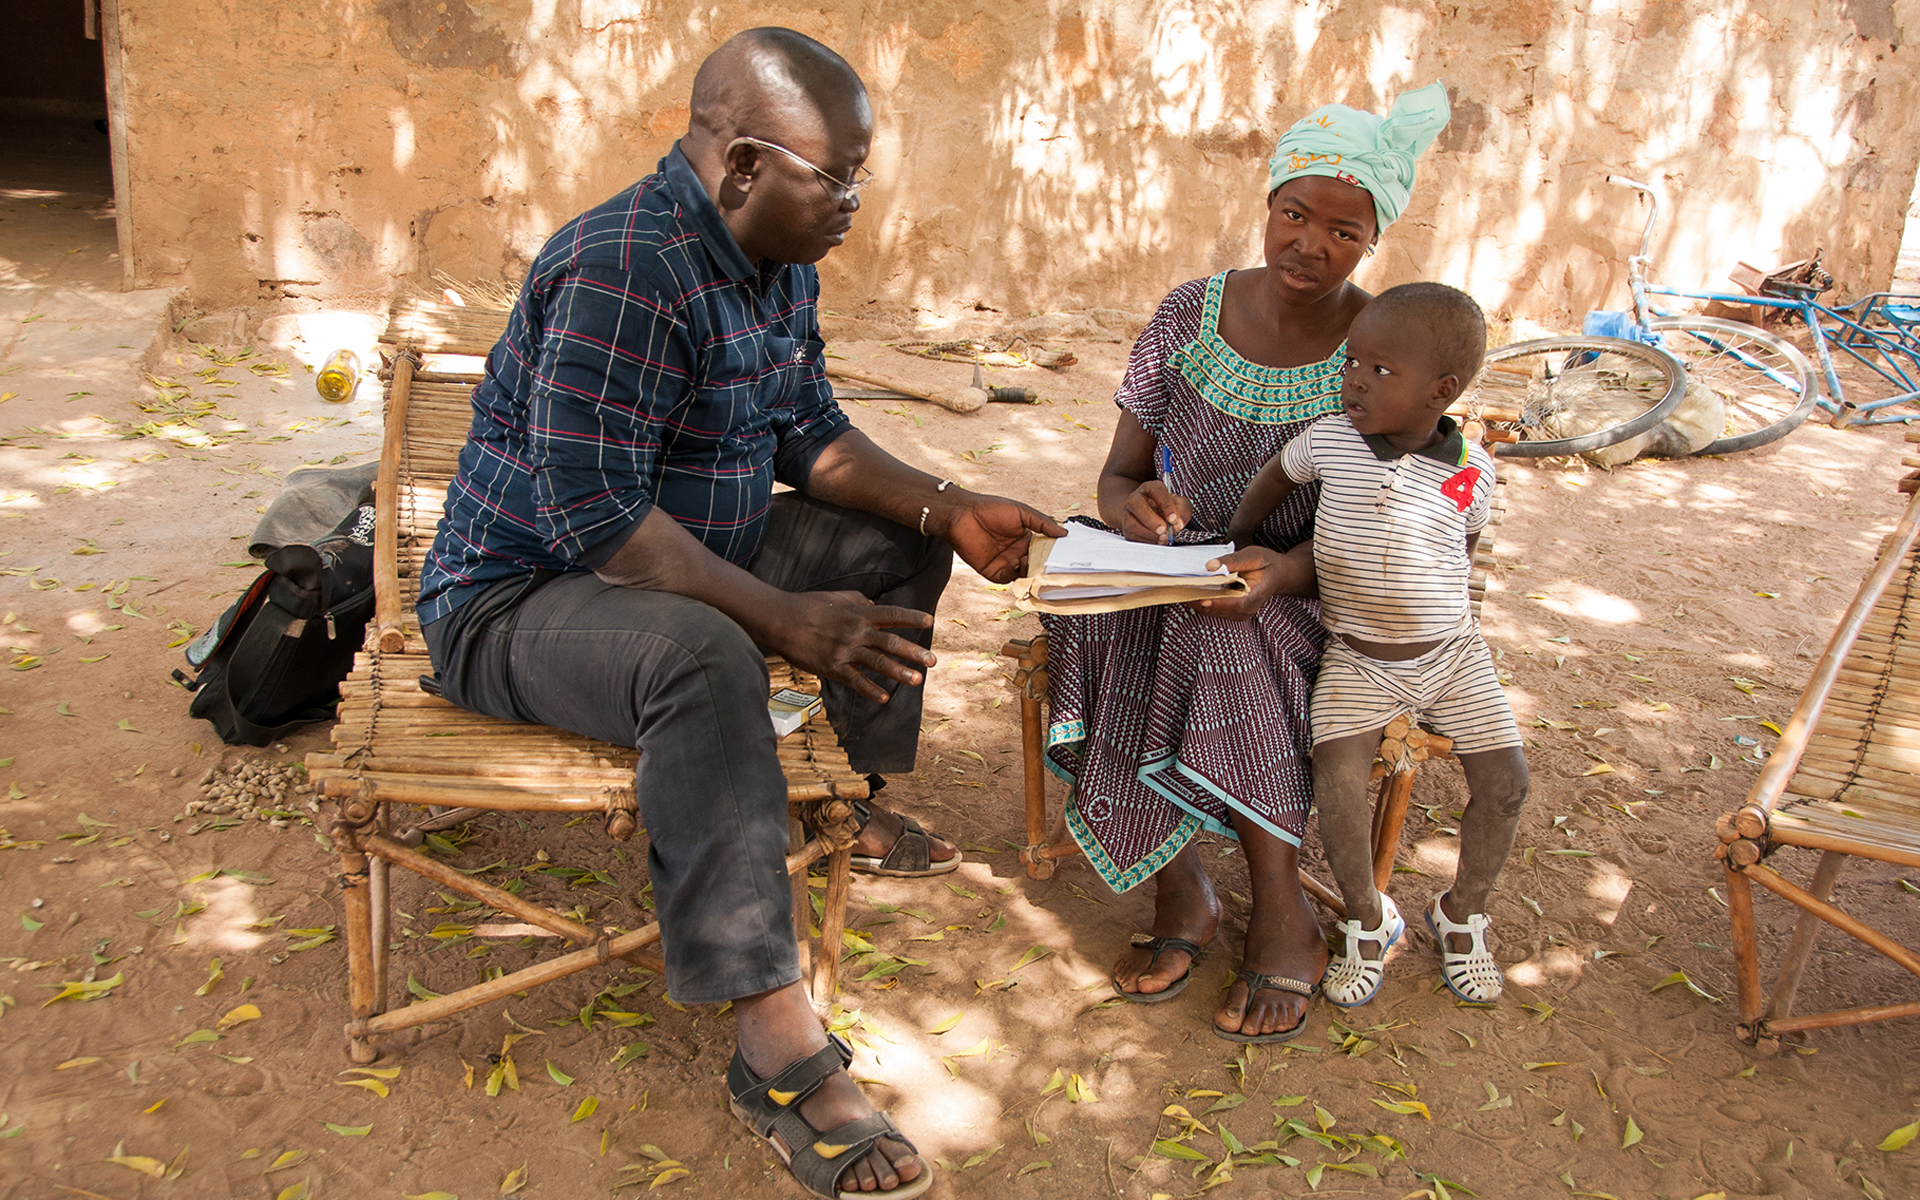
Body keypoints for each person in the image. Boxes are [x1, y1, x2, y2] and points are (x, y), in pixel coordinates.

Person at [415, 28, 1063, 1200]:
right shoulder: (623, 268)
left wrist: (951, 506)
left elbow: (810, 436)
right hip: (517, 600)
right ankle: (775, 1044)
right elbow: (599, 519)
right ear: (746, 168)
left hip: (682, 552)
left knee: (886, 544)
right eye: (838, 177)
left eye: (860, 175)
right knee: (708, 649)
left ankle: (837, 802)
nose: (855, 204)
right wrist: (777, 618)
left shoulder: (779, 263)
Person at [1038, 83, 1451, 1043]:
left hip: (1319, 591)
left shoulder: (1385, 340)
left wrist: (1289, 571)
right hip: (1174, 567)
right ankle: (1181, 895)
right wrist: (1131, 512)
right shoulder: (1189, 313)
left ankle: (1282, 914)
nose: (1311, 243)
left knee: (1230, 632)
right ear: (1266, 207)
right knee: (1086, 603)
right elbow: (1117, 476)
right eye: (1295, 214)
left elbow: (1420, 518)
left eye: (1343, 231)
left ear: (1372, 241)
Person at [1225, 282, 1529, 1006]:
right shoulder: (1332, 439)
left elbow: (1464, 537)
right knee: (1334, 783)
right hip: (1358, 655)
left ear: (1441, 391)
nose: (1355, 377)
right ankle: (1367, 919)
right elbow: (1276, 476)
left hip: (1453, 656)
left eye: (1382, 369)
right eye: (1353, 360)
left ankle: (1464, 913)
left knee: (1508, 782)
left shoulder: (1467, 470)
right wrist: (1243, 537)